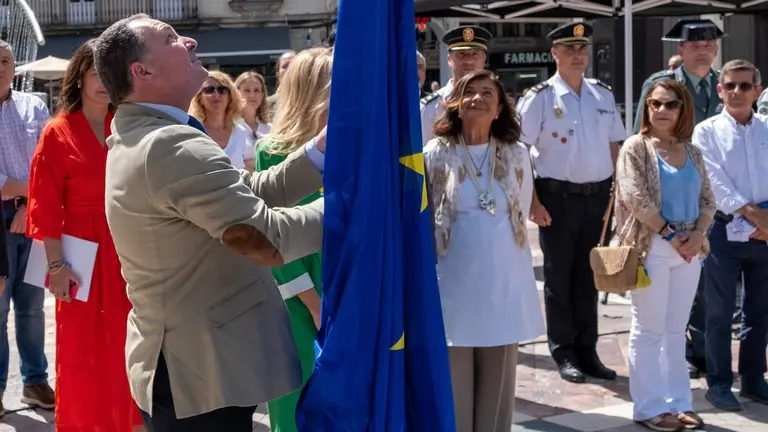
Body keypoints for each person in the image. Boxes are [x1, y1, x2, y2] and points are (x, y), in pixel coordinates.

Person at [94, 14, 327, 431]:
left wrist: (320, 151)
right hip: (200, 369)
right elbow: (265, 236)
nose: (189, 41)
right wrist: (355, 207)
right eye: (170, 38)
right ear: (141, 71)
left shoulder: (154, 134)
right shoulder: (167, 143)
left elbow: (248, 191)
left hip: (194, 365)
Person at [25, 39, 144, 432]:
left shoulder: (126, 126)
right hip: (79, 256)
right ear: (78, 78)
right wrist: (56, 267)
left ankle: (130, 423)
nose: (102, 82)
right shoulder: (56, 133)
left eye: (108, 74)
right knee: (81, 347)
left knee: (129, 345)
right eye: (95, 73)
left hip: (128, 251)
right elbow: (44, 207)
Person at [425, 69, 544, 432]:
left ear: (499, 109)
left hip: (502, 285)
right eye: (469, 92)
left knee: (497, 389)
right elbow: (424, 215)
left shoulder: (516, 154)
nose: (477, 98)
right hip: (453, 285)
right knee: (453, 387)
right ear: (455, 105)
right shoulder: (435, 153)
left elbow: (519, 213)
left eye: (487, 93)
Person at [517, 22, 626, 383]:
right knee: (559, 278)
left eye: (582, 49)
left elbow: (615, 145)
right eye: (569, 49)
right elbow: (520, 151)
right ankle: (564, 351)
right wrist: (533, 202)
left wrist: (618, 195)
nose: (577, 55)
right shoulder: (540, 97)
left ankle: (588, 350)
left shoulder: (602, 95)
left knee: (589, 276)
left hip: (597, 198)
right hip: (557, 199)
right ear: (554, 54)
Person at [616, 79, 715, 431]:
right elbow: (635, 198)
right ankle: (649, 407)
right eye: (655, 103)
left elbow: (708, 199)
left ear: (682, 110)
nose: (661, 110)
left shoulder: (692, 151)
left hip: (690, 247)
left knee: (676, 329)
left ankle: (679, 403)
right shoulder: (636, 147)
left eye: (670, 104)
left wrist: (698, 233)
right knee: (649, 328)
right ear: (646, 107)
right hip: (653, 245)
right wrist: (672, 235)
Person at [633, 19, 724, 379]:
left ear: (716, 49)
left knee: (710, 287)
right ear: (681, 49)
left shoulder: (725, 84)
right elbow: (641, 142)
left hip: (711, 201)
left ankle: (704, 351)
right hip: (666, 208)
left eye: (708, 44)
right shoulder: (663, 85)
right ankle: (684, 352)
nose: (702, 49)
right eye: (695, 44)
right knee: (667, 301)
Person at [256, 47, 331, 432]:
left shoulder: (355, 148)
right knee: (294, 408)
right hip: (296, 302)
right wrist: (315, 306)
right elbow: (273, 240)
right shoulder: (271, 152)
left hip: (345, 285)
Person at [693, 59, 768, 411]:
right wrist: (753, 214)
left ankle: (753, 380)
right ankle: (720, 383)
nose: (738, 92)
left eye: (745, 85)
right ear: (720, 90)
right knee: (719, 313)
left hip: (765, 232)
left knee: (760, 310)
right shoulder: (706, 132)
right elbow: (713, 179)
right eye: (731, 85)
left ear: (757, 90)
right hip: (723, 230)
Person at [0, 39, 54, 416]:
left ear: (15, 67)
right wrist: (24, 195)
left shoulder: (34, 106)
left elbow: (48, 163)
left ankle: (35, 382)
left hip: (33, 217)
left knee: (33, 308)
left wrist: (25, 205)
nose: (0, 66)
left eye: (5, 60)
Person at [420, 25, 492, 145]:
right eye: (461, 54)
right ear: (449, 59)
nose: (468, 61)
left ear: (484, 59)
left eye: (475, 54)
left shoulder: (494, 103)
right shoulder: (429, 108)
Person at [188, 71, 255, 172]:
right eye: (209, 90)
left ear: (230, 97)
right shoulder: (192, 132)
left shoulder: (241, 131)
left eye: (222, 90)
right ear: (199, 98)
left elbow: (251, 166)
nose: (216, 94)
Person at [234, 71, 271, 139]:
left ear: (262, 95)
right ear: (236, 93)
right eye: (247, 90)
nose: (252, 95)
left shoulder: (270, 130)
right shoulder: (229, 128)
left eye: (256, 90)